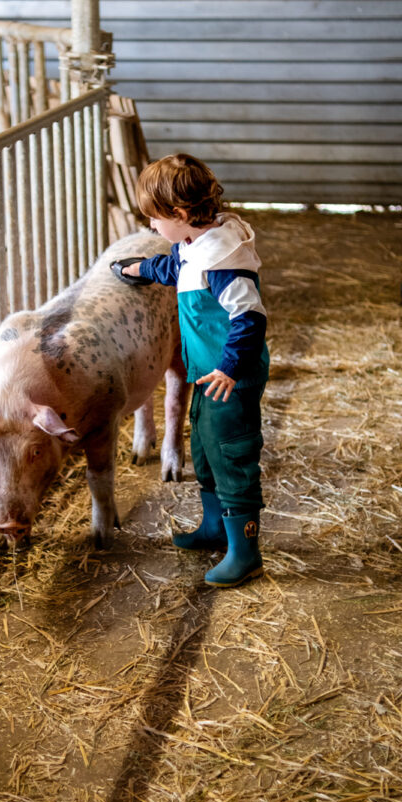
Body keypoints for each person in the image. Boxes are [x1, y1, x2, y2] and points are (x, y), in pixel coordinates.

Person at [111, 153, 269, 587]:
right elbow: (176, 267)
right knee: (204, 449)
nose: (151, 228)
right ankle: (216, 528)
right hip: (207, 375)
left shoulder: (224, 261)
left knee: (232, 455)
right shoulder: (195, 244)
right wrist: (137, 269)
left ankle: (245, 553)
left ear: (180, 215)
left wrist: (231, 369)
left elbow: (250, 317)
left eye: (154, 220)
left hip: (229, 377)